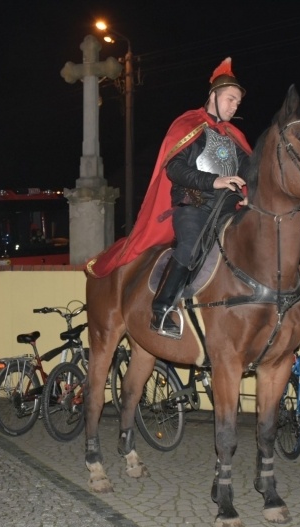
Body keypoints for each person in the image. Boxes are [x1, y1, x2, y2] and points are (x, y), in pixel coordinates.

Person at [86, 57, 252, 339]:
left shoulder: (234, 137)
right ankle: (161, 309)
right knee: (190, 246)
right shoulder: (189, 125)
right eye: (230, 99)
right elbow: (175, 168)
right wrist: (215, 181)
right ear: (213, 95)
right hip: (194, 207)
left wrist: (250, 194)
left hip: (226, 211)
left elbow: (249, 171)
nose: (234, 106)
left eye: (237, 102)